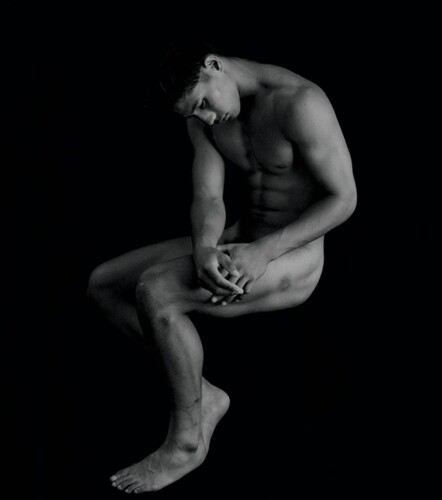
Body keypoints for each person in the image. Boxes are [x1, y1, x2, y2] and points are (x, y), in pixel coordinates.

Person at [87, 40, 357, 494]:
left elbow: (344, 199)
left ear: (213, 65)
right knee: (103, 285)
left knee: (156, 291)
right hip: (241, 239)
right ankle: (203, 396)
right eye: (195, 114)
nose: (207, 118)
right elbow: (208, 196)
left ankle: (187, 442)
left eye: (203, 104)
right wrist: (205, 249)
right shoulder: (201, 119)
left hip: (293, 256)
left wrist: (264, 252)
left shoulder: (300, 102)